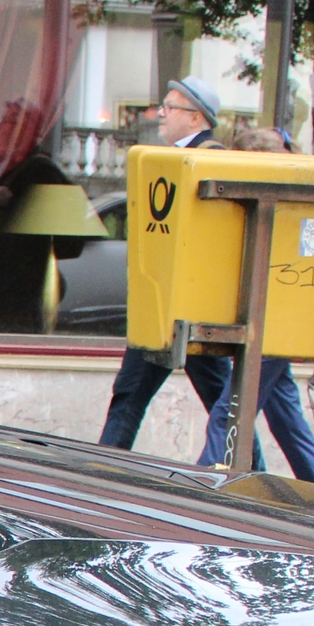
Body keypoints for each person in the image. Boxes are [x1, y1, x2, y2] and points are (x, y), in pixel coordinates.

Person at [196, 126, 314, 486]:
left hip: (273, 324)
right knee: (286, 420)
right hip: (271, 322)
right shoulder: (280, 201)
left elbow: (309, 279)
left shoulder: (287, 206)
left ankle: (198, 488)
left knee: (229, 414)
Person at [99, 77, 233, 452]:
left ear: (195, 118)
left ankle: (253, 475)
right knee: (130, 394)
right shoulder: (168, 160)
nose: (161, 113)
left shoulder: (211, 159)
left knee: (222, 403)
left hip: (191, 306)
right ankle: (101, 472)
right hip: (162, 303)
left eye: (170, 107)